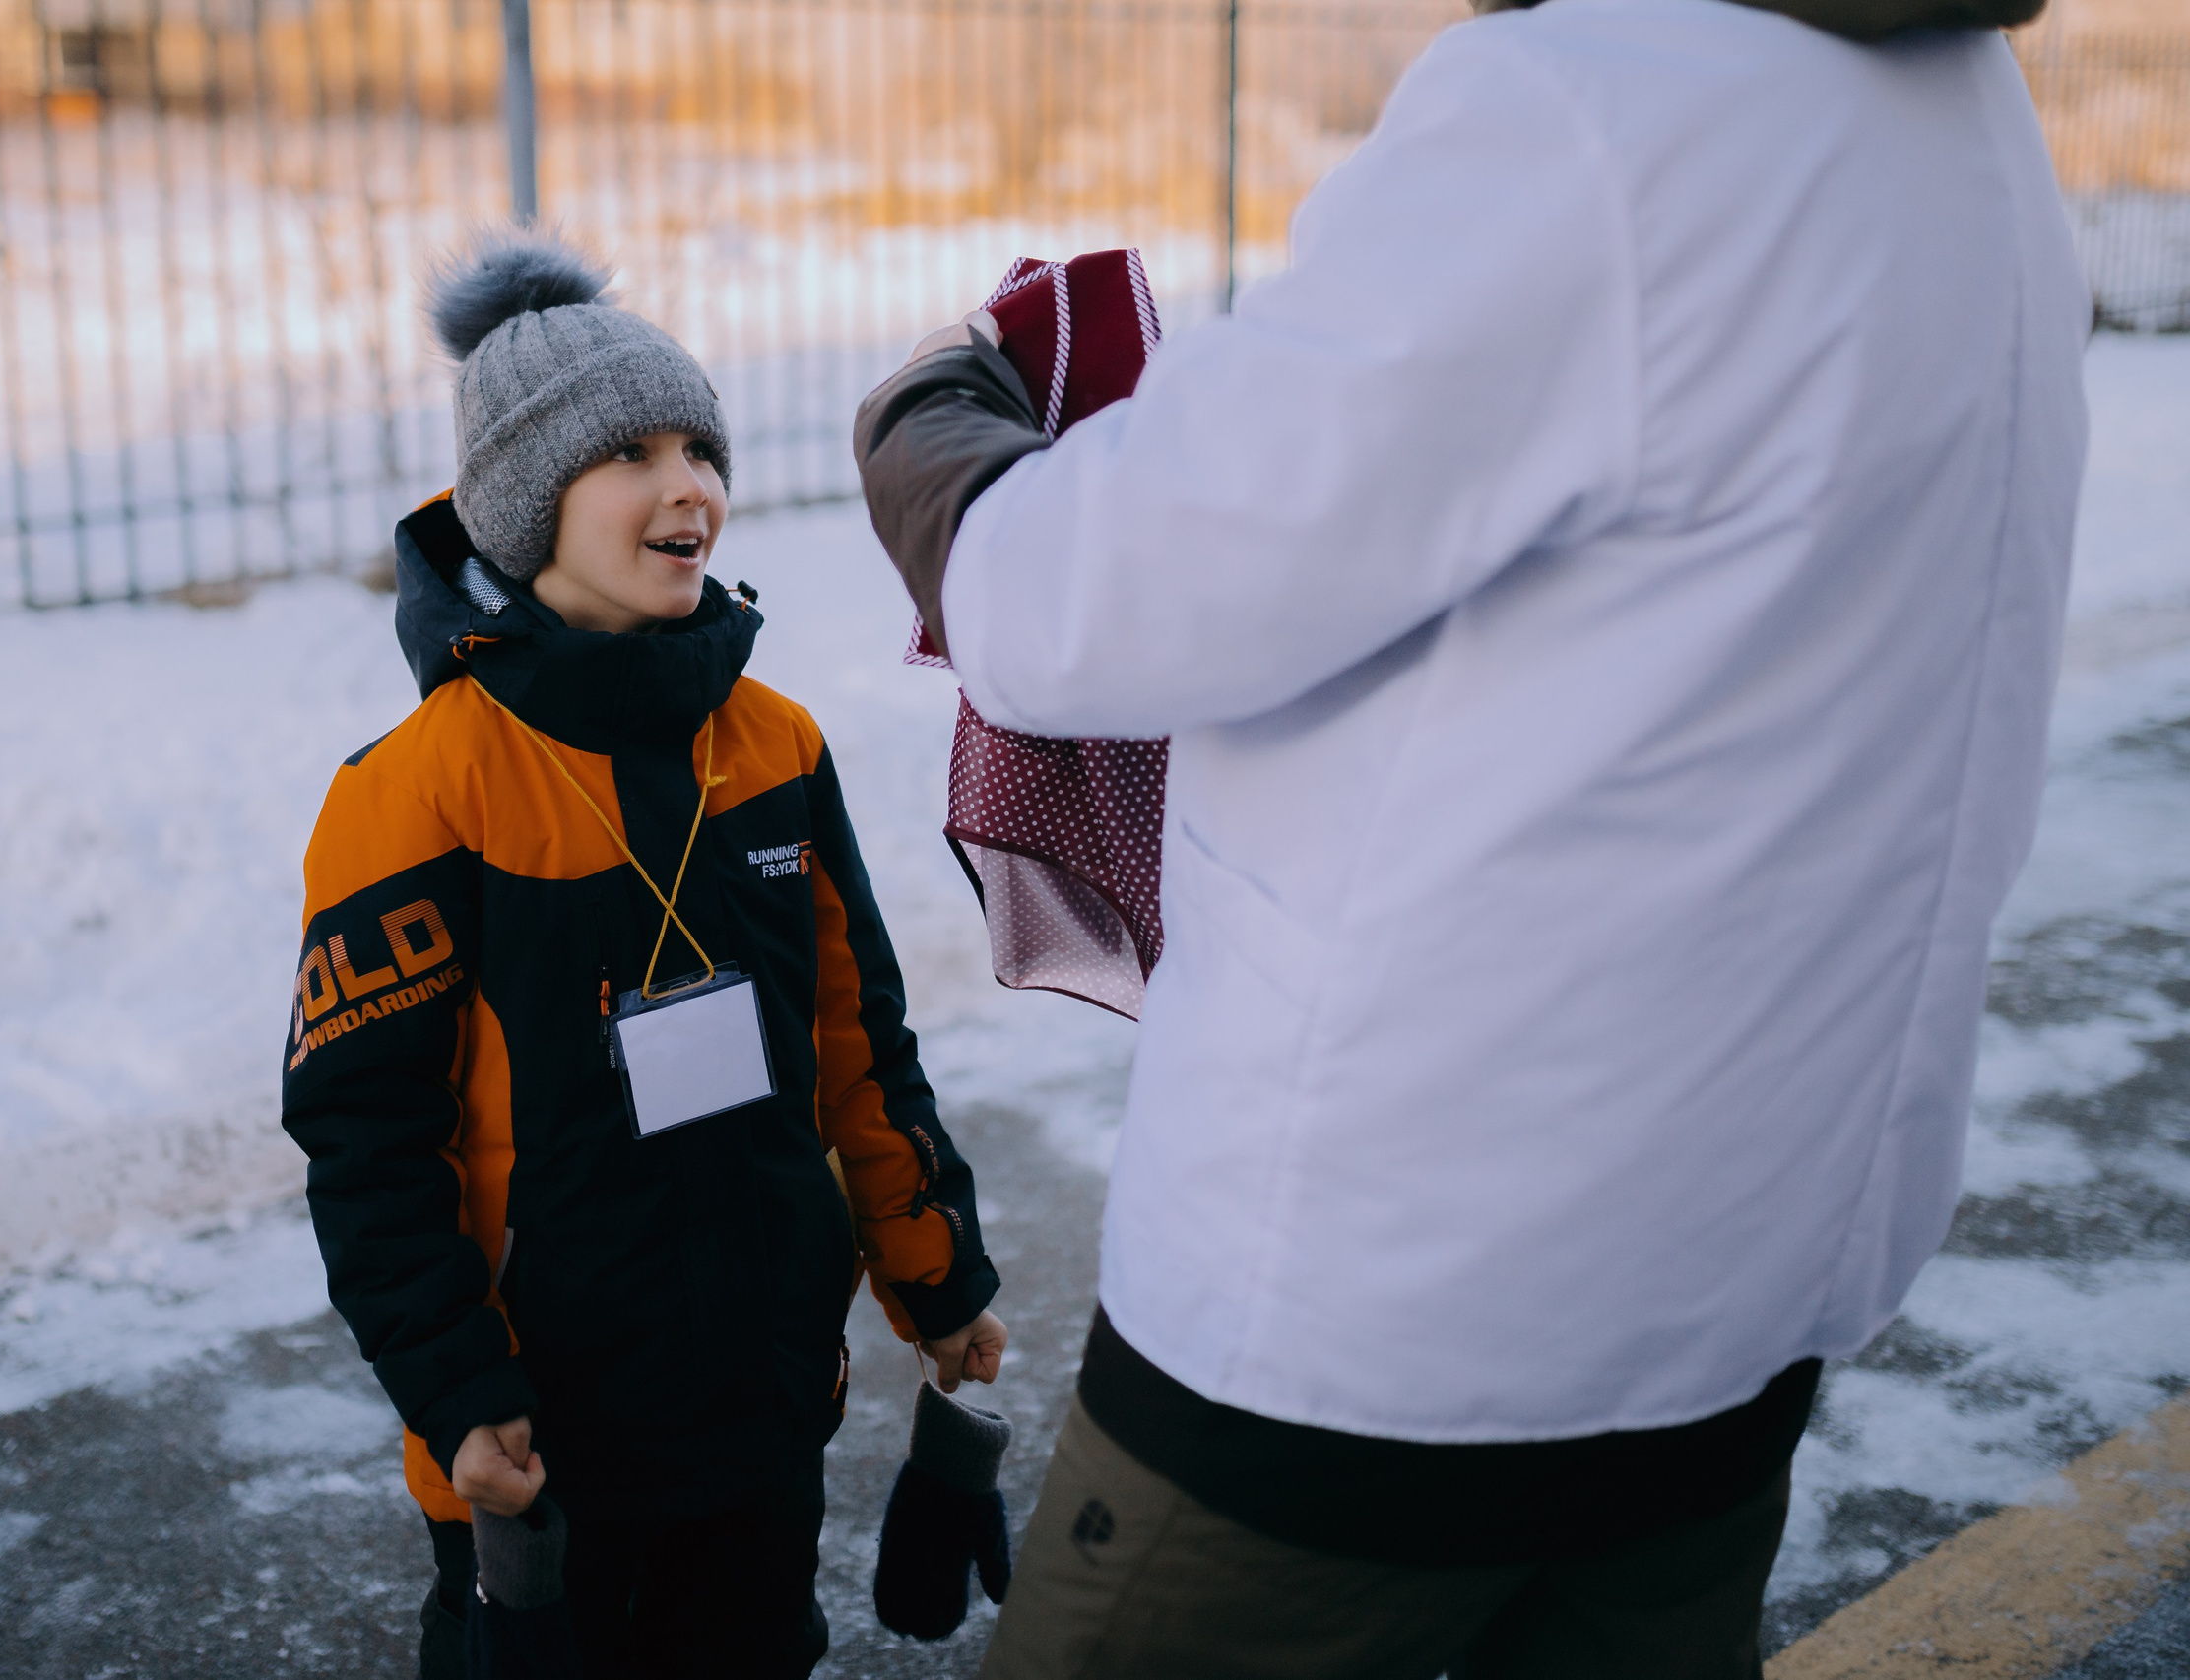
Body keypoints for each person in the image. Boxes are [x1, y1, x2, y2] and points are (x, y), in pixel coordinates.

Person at [853, 0, 2087, 1672]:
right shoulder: (1966, 115)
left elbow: (1096, 594)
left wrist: (939, 429)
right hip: (1738, 1291)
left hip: (1385, 1331)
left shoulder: (1591, 115)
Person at [283, 230, 1006, 1680]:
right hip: (543, 1434)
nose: (693, 488)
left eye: (702, 448)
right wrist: (457, 1391)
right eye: (633, 454)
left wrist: (938, 1274)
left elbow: (859, 1041)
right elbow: (367, 1135)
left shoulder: (775, 746)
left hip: (760, 1393)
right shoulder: (420, 789)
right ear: (525, 499)